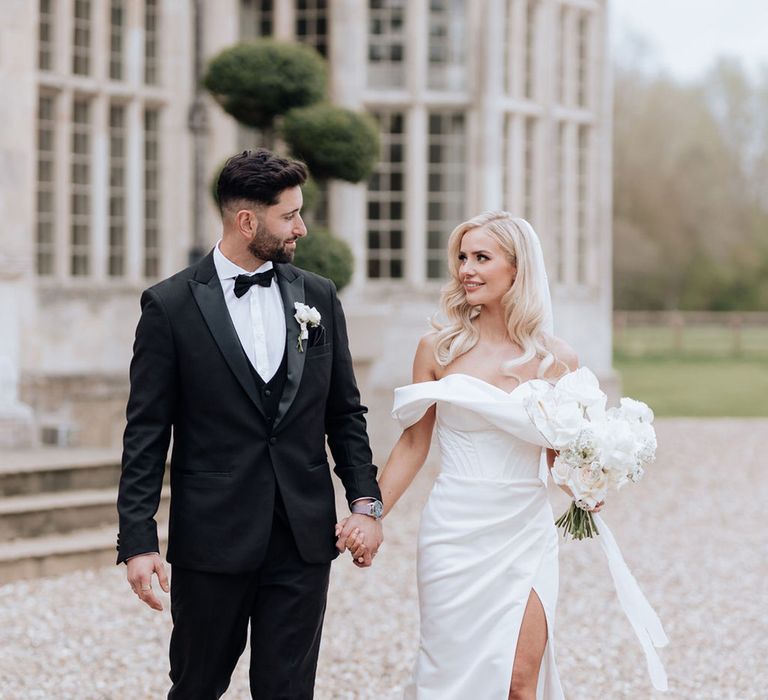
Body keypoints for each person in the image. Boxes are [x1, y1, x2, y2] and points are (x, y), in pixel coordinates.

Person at [116, 148, 384, 699]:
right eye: (289, 216)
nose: (301, 228)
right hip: (213, 538)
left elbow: (345, 412)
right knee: (197, 685)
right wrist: (138, 541)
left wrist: (365, 503)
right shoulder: (169, 307)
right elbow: (146, 433)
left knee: (288, 690)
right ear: (247, 221)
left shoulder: (318, 296)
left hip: (303, 537)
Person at [337, 211, 595, 699]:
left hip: (525, 529)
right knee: (450, 679)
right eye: (462, 257)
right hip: (454, 532)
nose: (466, 269)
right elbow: (414, 443)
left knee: (521, 681)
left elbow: (561, 458)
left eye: (482, 257)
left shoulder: (557, 359)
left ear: (517, 270)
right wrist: (371, 515)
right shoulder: (436, 348)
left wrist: (591, 482)